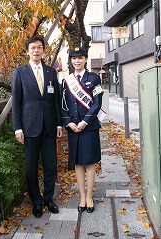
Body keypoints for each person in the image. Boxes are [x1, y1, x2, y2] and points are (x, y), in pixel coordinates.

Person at [12, 35, 63, 218]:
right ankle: (37, 201)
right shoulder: (20, 72)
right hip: (29, 127)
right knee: (31, 167)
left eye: (39, 47)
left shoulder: (51, 72)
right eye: (33, 48)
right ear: (27, 51)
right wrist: (17, 128)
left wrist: (59, 123)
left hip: (49, 127)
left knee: (51, 166)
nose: (36, 51)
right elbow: (16, 103)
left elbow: (55, 100)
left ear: (43, 50)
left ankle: (49, 199)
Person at [61, 46, 103, 213]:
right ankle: (82, 196)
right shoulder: (66, 81)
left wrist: (85, 122)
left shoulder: (94, 78)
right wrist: (68, 123)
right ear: (71, 61)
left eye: (80, 57)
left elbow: (97, 103)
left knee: (90, 163)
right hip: (73, 129)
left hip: (89, 128)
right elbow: (62, 105)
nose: (77, 61)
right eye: (74, 58)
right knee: (78, 163)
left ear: (85, 59)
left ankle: (90, 197)